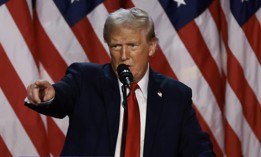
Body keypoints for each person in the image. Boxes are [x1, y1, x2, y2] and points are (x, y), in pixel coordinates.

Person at [25, 7, 215, 157]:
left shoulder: (176, 96)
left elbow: (197, 149)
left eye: (132, 45)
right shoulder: (85, 79)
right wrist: (50, 95)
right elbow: (62, 96)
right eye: (116, 46)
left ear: (151, 47)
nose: (124, 56)